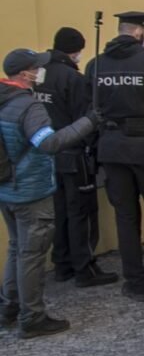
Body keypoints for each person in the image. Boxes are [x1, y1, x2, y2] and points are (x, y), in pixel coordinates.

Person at [0, 49, 99, 337]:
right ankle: (32, 317)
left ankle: (9, 306)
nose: (40, 72)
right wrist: (88, 122)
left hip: (6, 187)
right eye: (36, 68)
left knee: (17, 248)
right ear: (24, 74)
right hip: (31, 190)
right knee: (31, 254)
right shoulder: (28, 107)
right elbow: (50, 143)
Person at [87, 11, 144, 301]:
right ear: (140, 32)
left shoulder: (95, 65)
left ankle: (136, 284)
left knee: (125, 219)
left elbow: (89, 107)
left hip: (112, 149)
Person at [34, 28, 114, 288]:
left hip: (46, 155)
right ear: (76, 51)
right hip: (74, 153)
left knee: (60, 211)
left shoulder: (38, 75)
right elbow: (85, 119)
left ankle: (62, 263)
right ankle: (84, 268)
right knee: (81, 211)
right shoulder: (72, 79)